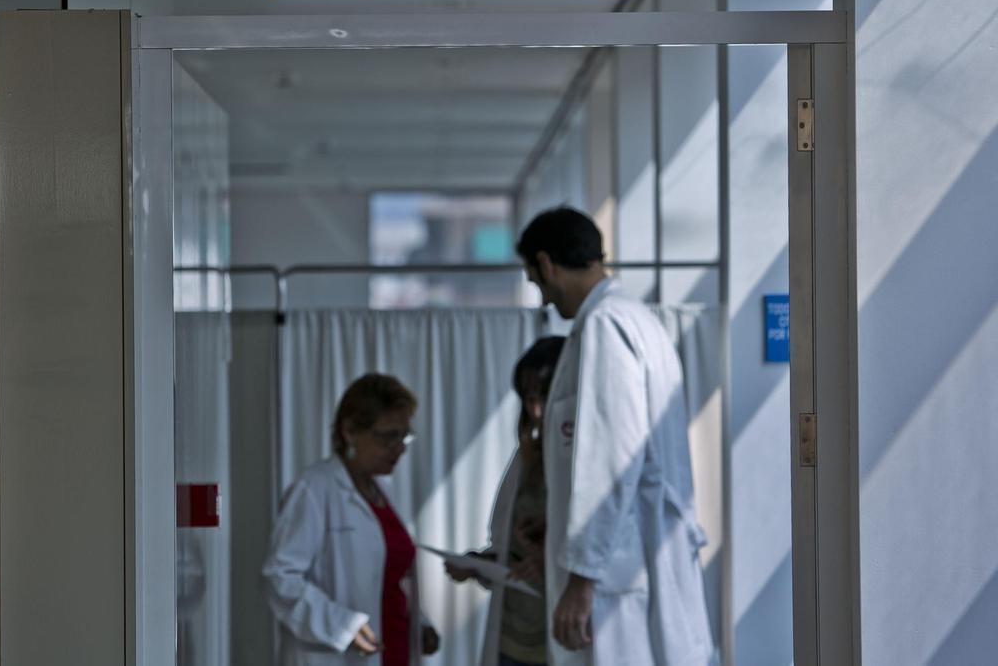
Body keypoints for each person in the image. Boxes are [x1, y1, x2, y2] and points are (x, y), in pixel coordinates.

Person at [516, 207, 715, 666]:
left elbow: (613, 459)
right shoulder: (635, 320)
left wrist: (583, 577)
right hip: (635, 556)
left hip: (619, 573)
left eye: (536, 282)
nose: (544, 299)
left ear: (546, 264)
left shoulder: (606, 325)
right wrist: (560, 524)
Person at [262, 373, 442, 665]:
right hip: (341, 653)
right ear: (350, 431)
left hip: (394, 647)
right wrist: (339, 625)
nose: (400, 448)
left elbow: (390, 579)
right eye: (388, 436)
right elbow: (280, 577)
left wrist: (419, 622)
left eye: (404, 436)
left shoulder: (383, 490)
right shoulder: (314, 489)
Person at [445, 336, 566, 666]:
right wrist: (479, 564)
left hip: (561, 637)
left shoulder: (590, 463)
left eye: (545, 396)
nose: (536, 411)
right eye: (529, 398)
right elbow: (509, 549)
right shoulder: (527, 459)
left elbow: (603, 555)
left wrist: (549, 564)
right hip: (513, 639)